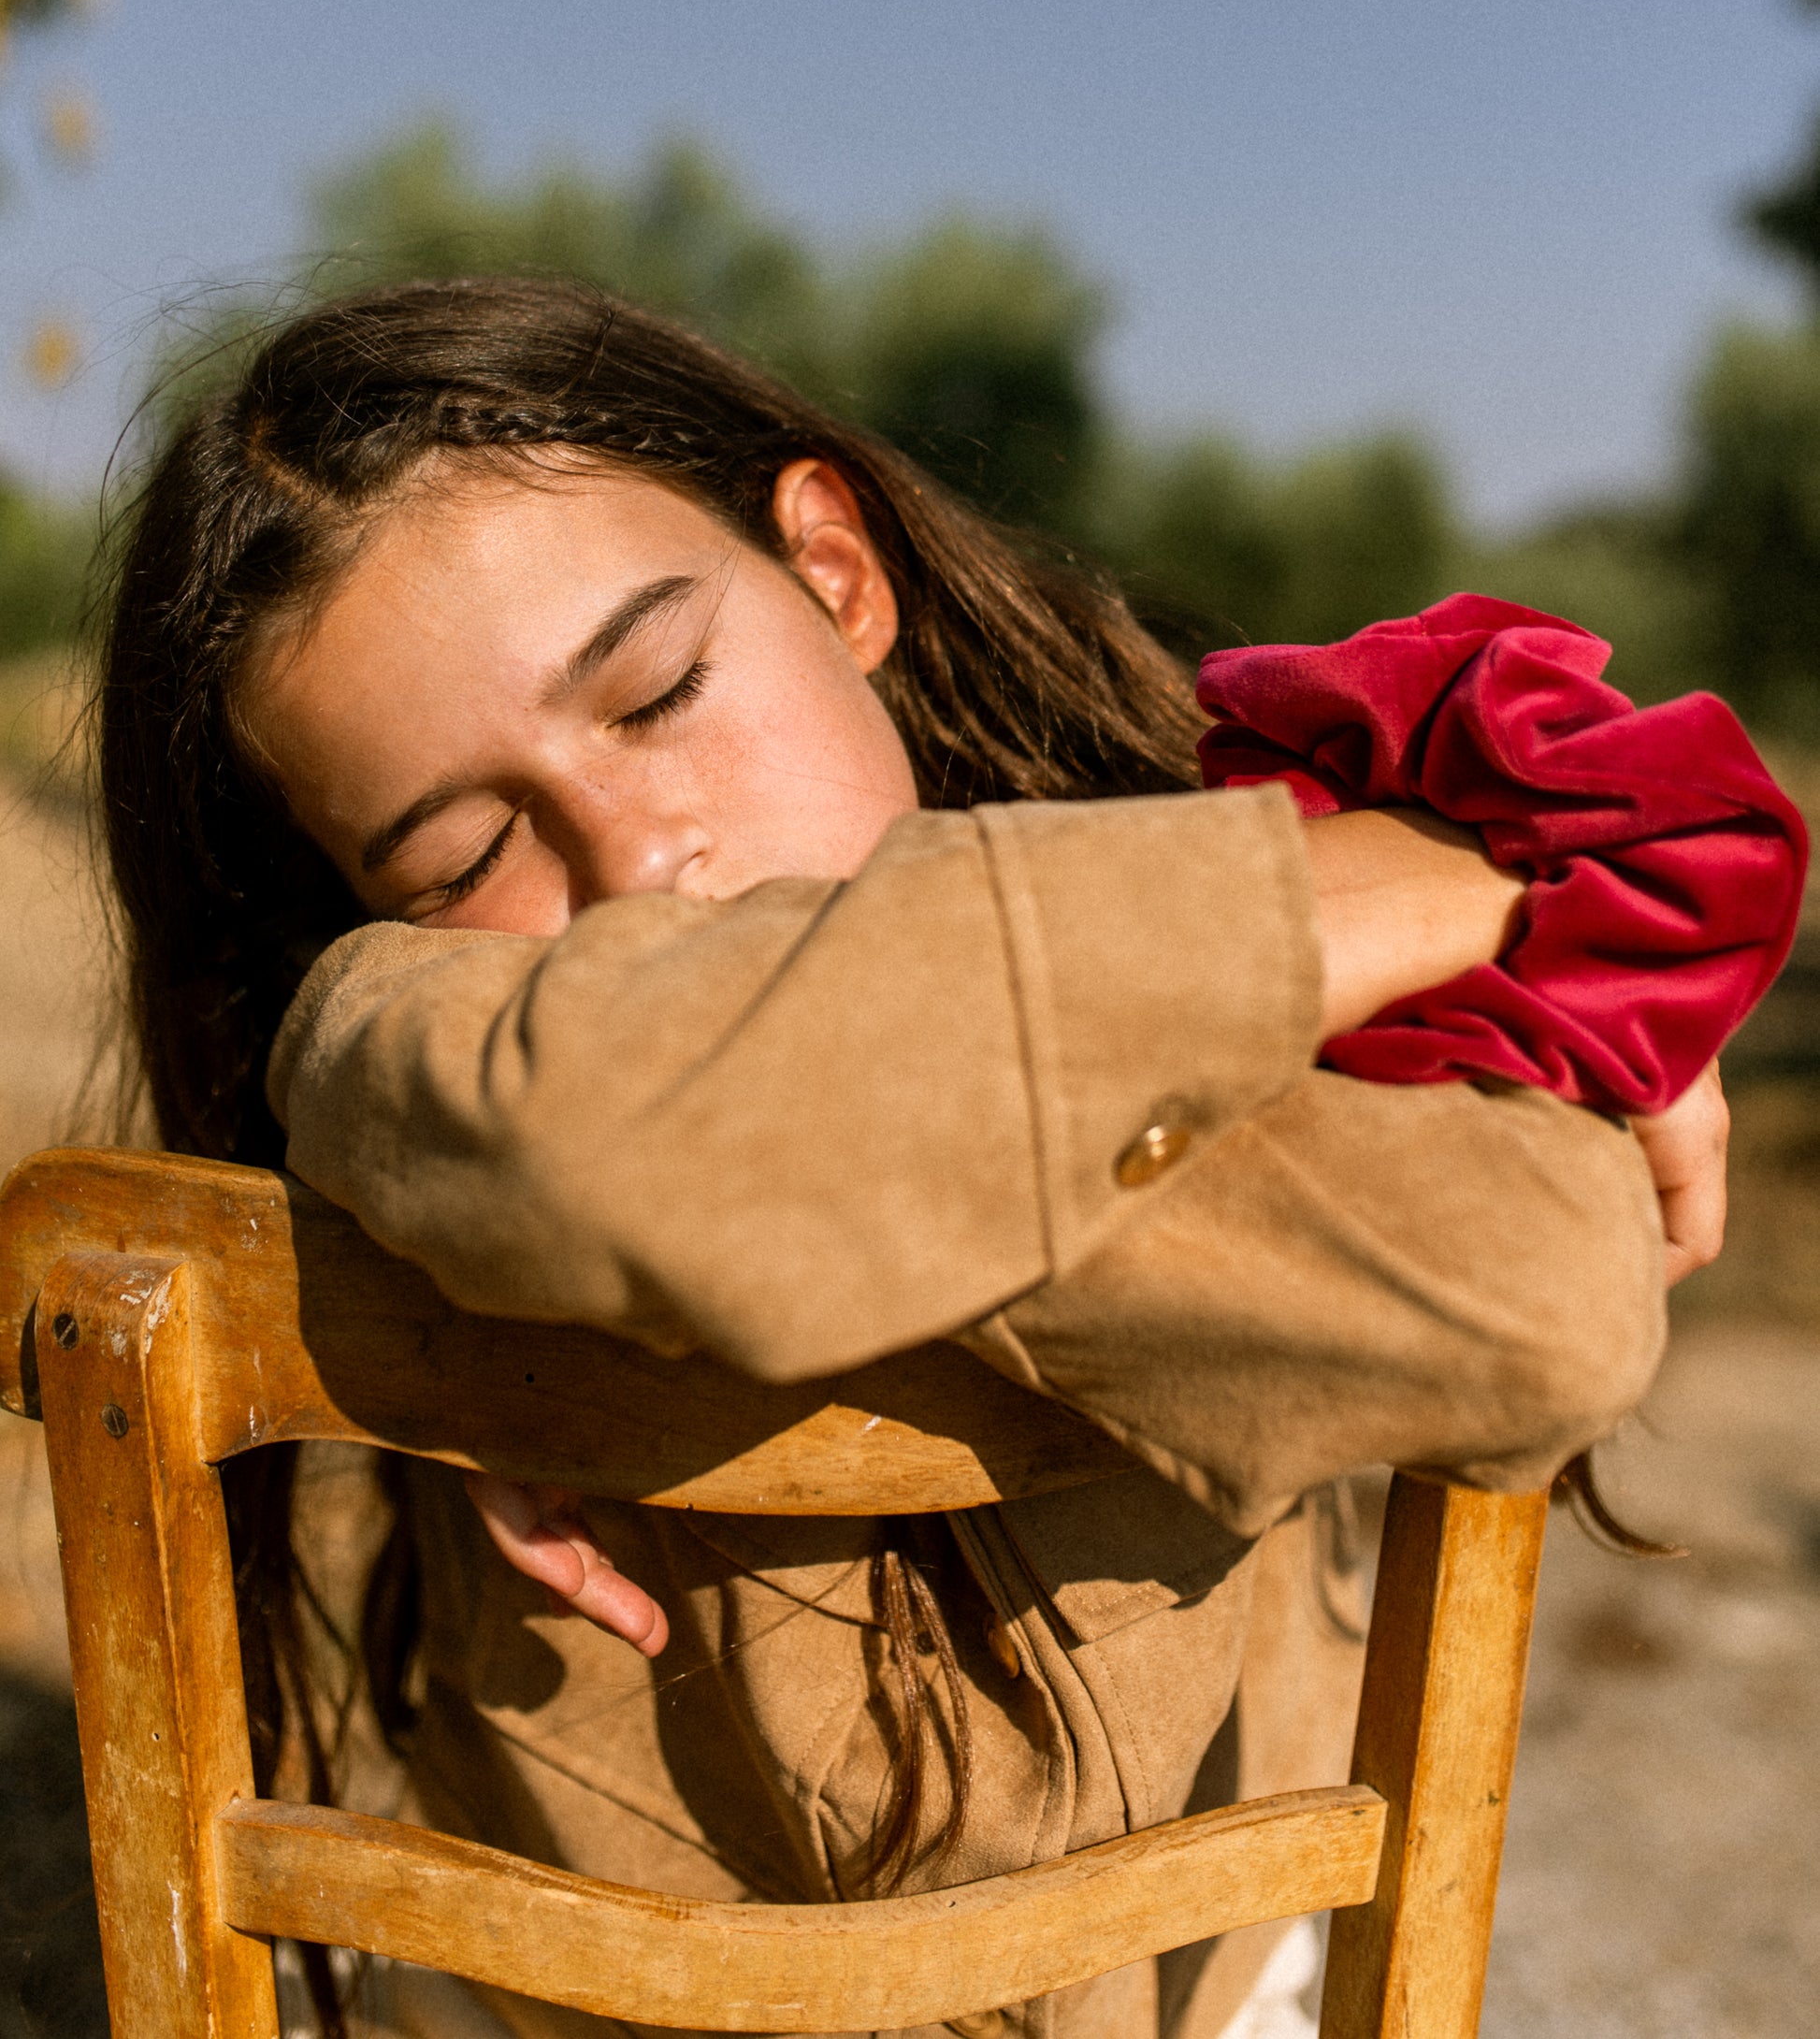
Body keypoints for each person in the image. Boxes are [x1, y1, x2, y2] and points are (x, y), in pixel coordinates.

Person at [98, 278, 1685, 2039]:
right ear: (354, 911)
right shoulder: (399, 1044)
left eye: (659, 689)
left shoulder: (1134, 874)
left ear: (835, 575)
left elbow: (1541, 1304)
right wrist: (1441, 899)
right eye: (466, 853)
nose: (643, 862)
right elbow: (593, 1141)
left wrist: (811, 1160)